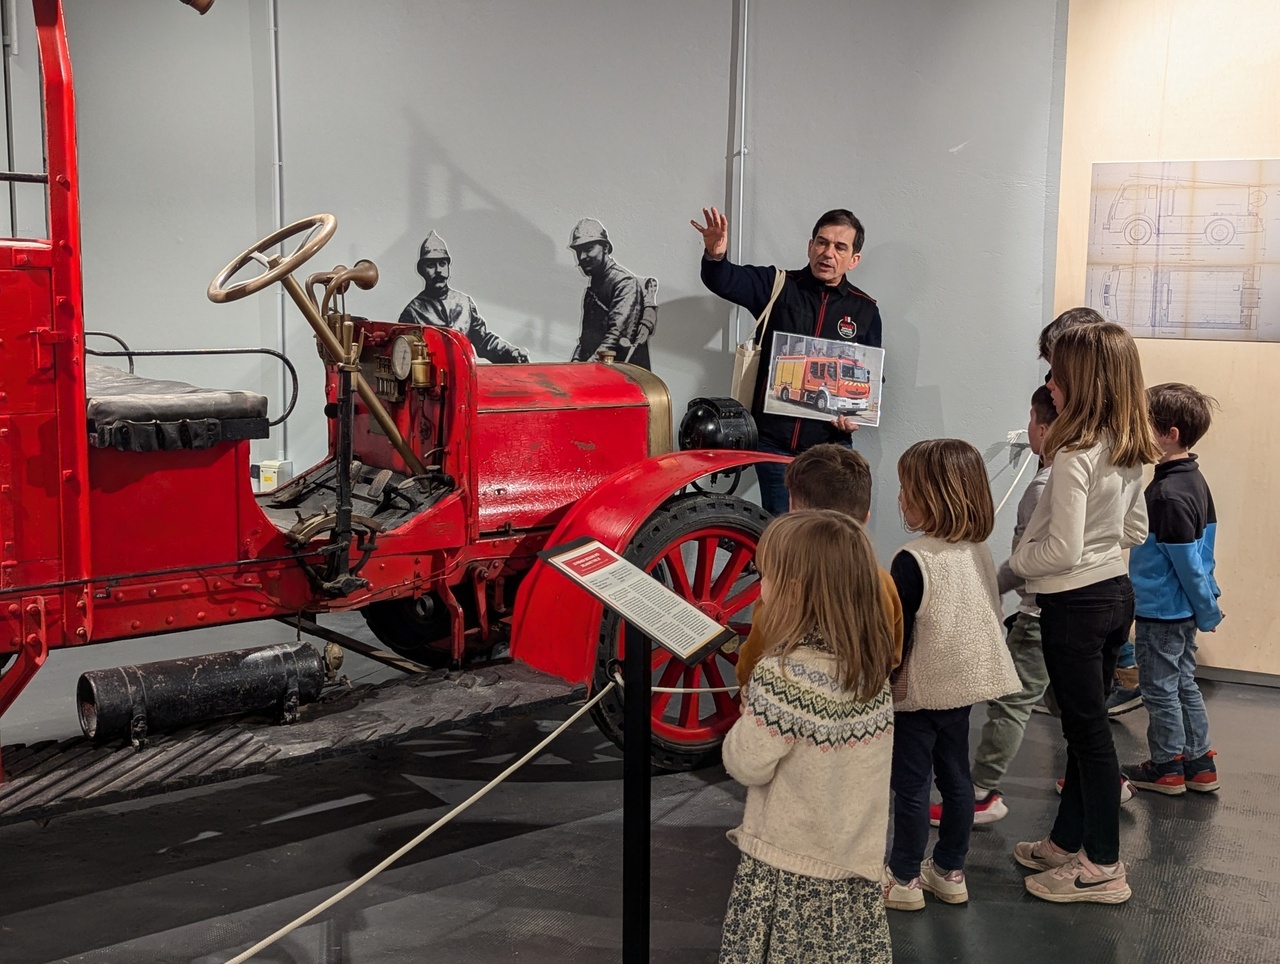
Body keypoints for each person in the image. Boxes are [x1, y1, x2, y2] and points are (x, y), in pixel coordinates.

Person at [1009, 321, 1160, 905]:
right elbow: (1134, 529)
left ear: (1084, 381)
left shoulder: (1074, 452)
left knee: (1088, 736)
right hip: (1115, 596)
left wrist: (1021, 558)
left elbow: (1060, 551)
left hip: (1073, 604)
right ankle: (1067, 840)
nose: (1050, 382)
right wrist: (1097, 556)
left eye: (1058, 373)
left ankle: (1102, 865)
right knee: (1083, 730)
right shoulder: (1126, 446)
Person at [719, 510, 897, 964]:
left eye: (767, 577)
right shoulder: (869, 667)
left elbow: (747, 763)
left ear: (795, 592)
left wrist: (748, 717)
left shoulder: (783, 675)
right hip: (852, 859)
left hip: (790, 867)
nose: (761, 590)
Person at [884, 440, 1020, 912]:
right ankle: (950, 871)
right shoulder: (978, 549)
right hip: (962, 687)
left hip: (918, 691)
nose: (899, 498)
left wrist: (880, 678)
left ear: (933, 495)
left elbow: (894, 635)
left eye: (907, 489)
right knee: (957, 779)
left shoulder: (912, 558)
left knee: (912, 785)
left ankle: (903, 877)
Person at [692, 207, 882, 515]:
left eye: (839, 247)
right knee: (784, 534)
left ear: (853, 260)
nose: (828, 253)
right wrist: (715, 255)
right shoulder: (777, 285)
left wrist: (855, 415)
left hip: (830, 450)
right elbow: (724, 280)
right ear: (810, 246)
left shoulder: (866, 311)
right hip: (772, 445)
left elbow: (871, 379)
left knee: (828, 539)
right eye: (822, 242)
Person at [1121, 383, 1223, 795]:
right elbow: (1206, 553)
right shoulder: (1194, 480)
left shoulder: (1166, 493)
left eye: (1144, 423)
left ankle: (1166, 767)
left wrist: (1207, 608)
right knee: (1183, 683)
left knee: (1159, 690)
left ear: (1171, 434)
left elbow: (1187, 564)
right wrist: (1205, 603)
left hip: (1162, 611)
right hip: (1181, 611)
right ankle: (1198, 763)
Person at [734, 444, 903, 690]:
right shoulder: (881, 582)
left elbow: (752, 660)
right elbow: (892, 655)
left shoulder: (782, 584)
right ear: (865, 518)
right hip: (860, 708)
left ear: (792, 509)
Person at [399, 231, 529, 364]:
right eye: (431, 265)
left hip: (465, 377)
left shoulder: (465, 303)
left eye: (443, 264)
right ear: (421, 270)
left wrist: (511, 352)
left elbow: (484, 342)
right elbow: (404, 358)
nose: (438, 270)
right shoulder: (412, 313)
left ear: (449, 267)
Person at [567, 218, 654, 370]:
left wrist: (583, 370)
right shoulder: (594, 286)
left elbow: (616, 338)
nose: (582, 257)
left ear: (605, 248)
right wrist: (574, 364)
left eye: (588, 249)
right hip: (596, 372)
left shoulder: (624, 283)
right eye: (579, 251)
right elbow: (586, 339)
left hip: (623, 379)